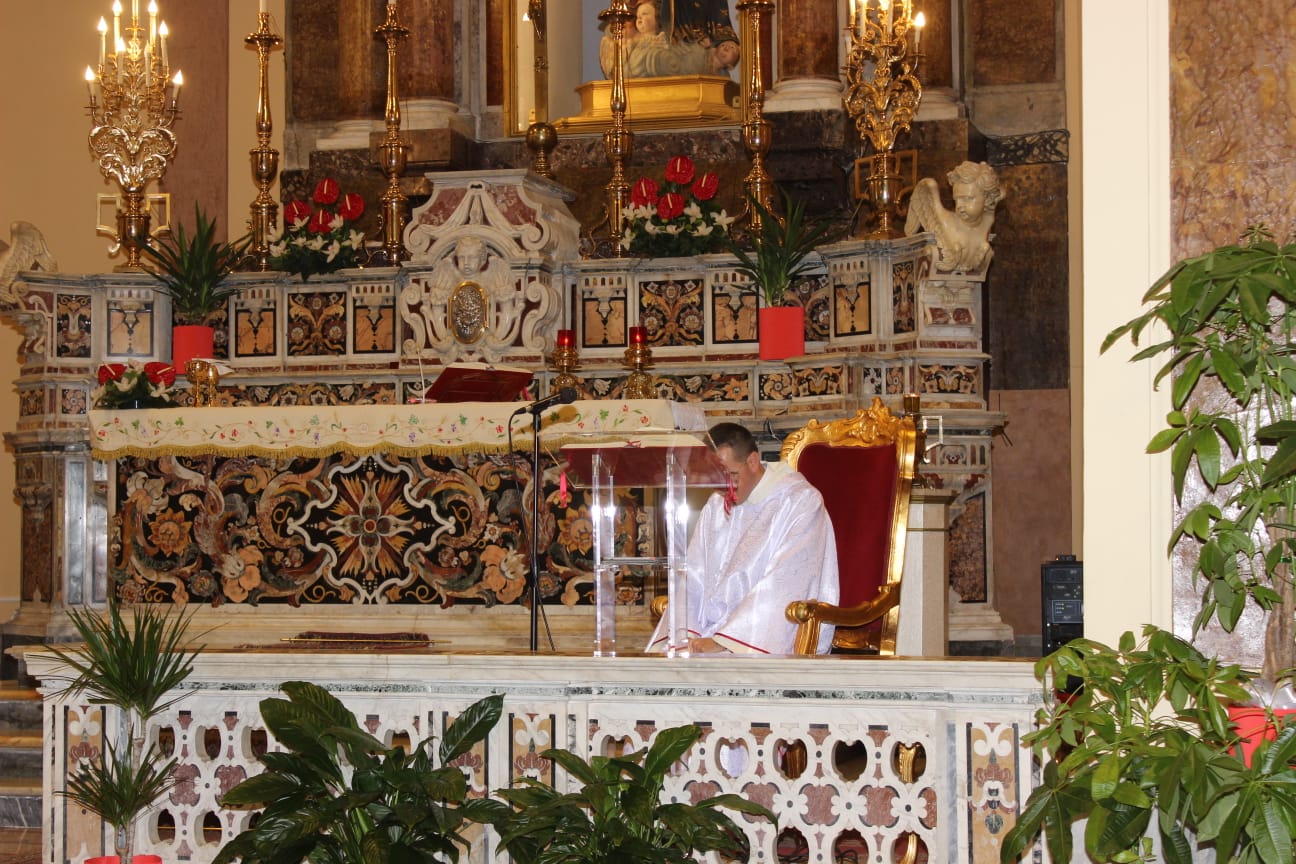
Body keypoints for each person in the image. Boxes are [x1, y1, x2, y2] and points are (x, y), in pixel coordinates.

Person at [647, 423, 839, 655]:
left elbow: (786, 583)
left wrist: (725, 640)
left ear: (753, 461)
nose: (724, 488)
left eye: (731, 476)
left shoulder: (799, 501)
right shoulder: (716, 505)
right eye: (715, 478)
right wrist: (687, 634)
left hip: (759, 640)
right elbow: (694, 575)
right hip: (709, 635)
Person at [903, 160, 1004, 273]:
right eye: (957, 200)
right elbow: (909, 232)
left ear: (987, 199)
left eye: (968, 198)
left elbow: (999, 194)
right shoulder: (945, 221)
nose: (960, 206)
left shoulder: (987, 220)